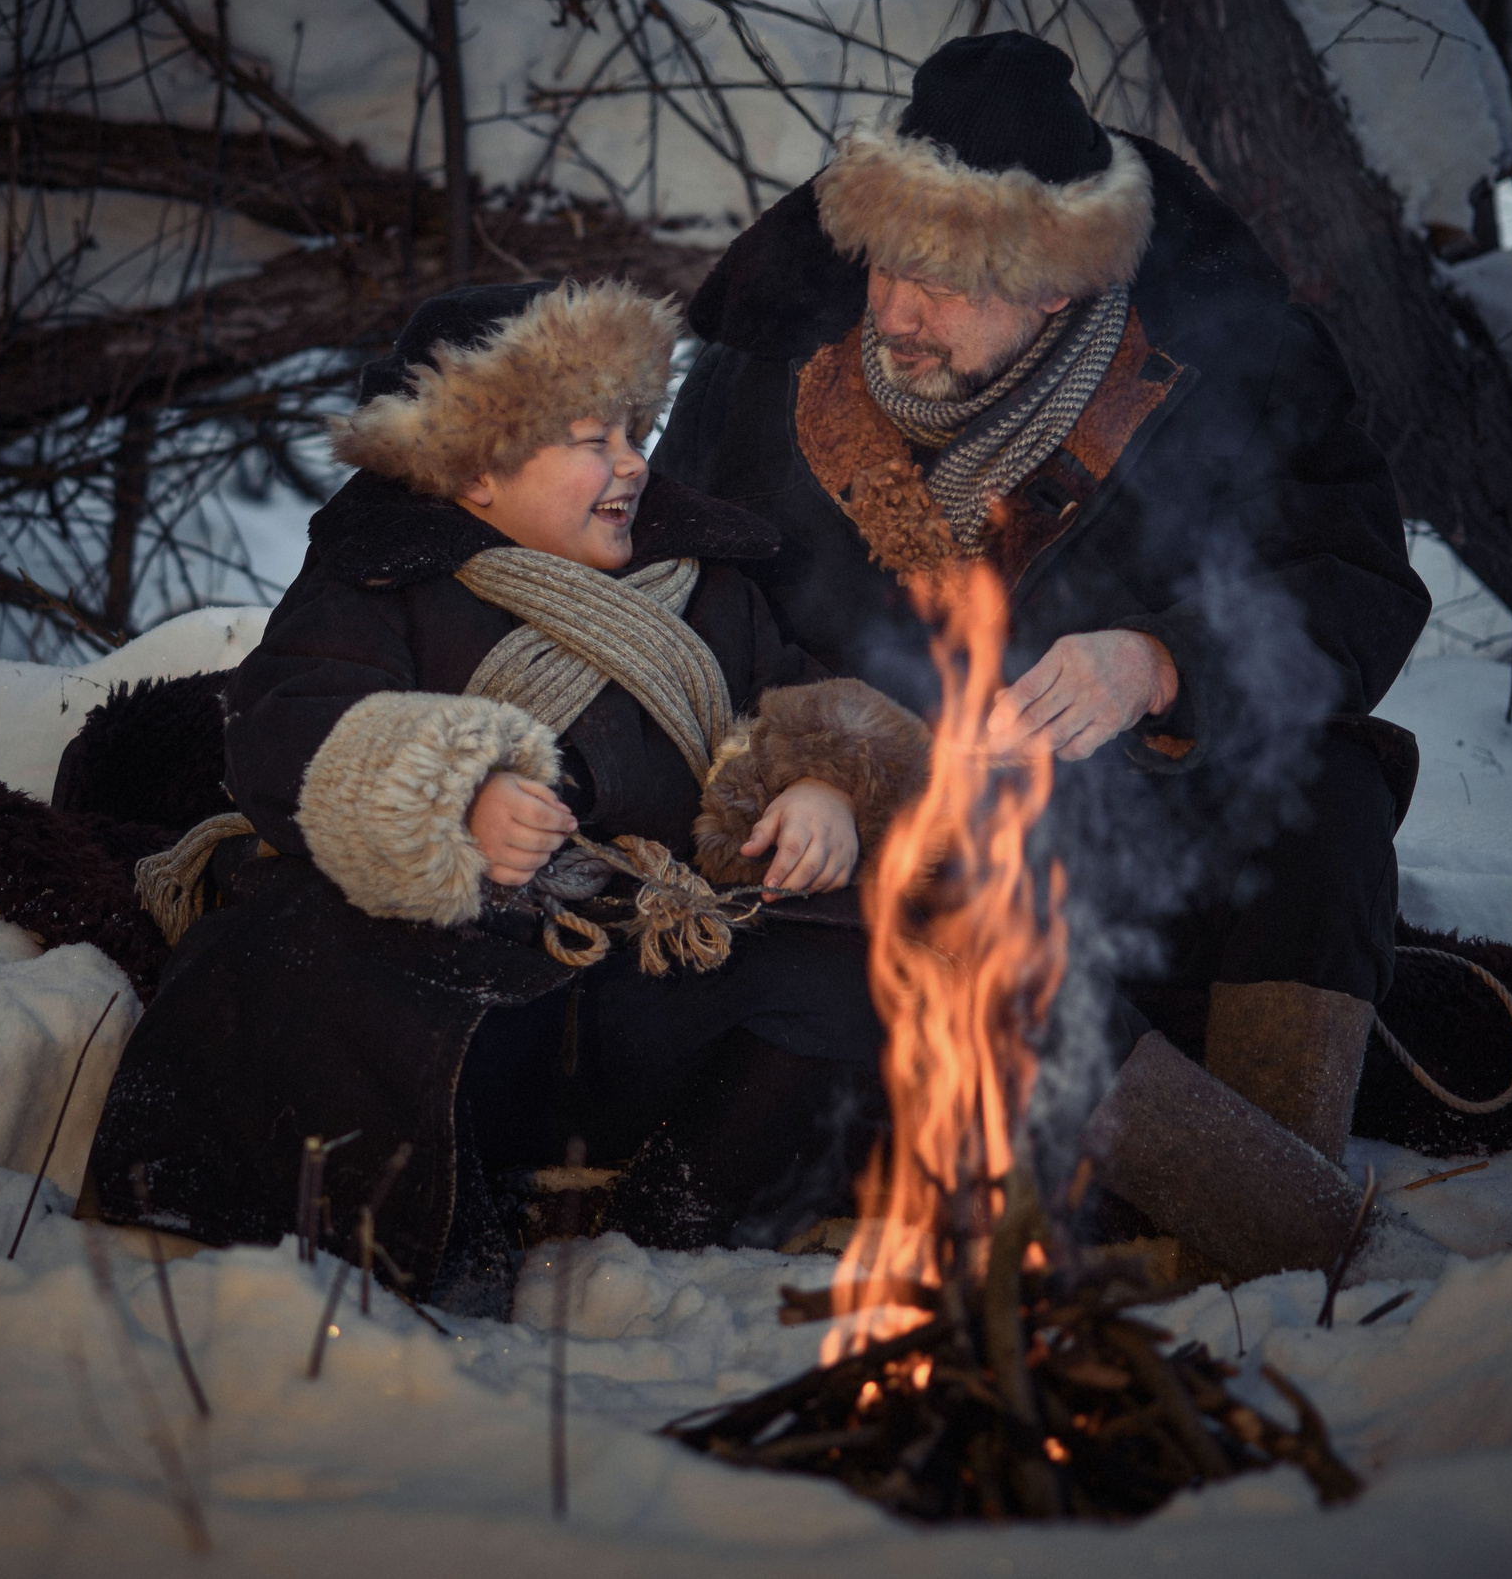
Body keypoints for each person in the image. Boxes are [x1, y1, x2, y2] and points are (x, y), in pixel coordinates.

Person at [649, 31, 1432, 1175]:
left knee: (1329, 804)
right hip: (856, 832)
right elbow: (674, 595)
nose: (904, 314)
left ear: (1062, 279)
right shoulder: (768, 363)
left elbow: (1355, 583)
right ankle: (1223, 1199)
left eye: (957, 282)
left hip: (1126, 814)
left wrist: (1162, 661)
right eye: (888, 265)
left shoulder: (1236, 364)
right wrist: (811, 752)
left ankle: (1274, 1181)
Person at [81, 280, 929, 1314]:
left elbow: (783, 689)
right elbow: (287, 722)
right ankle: (426, 1235)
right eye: (589, 439)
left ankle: (686, 1215)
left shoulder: (707, 583)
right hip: (462, 1000)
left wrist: (820, 779)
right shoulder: (380, 584)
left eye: (633, 428)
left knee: (858, 963)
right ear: (475, 468)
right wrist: (453, 797)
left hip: (642, 980)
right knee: (305, 948)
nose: (630, 462)